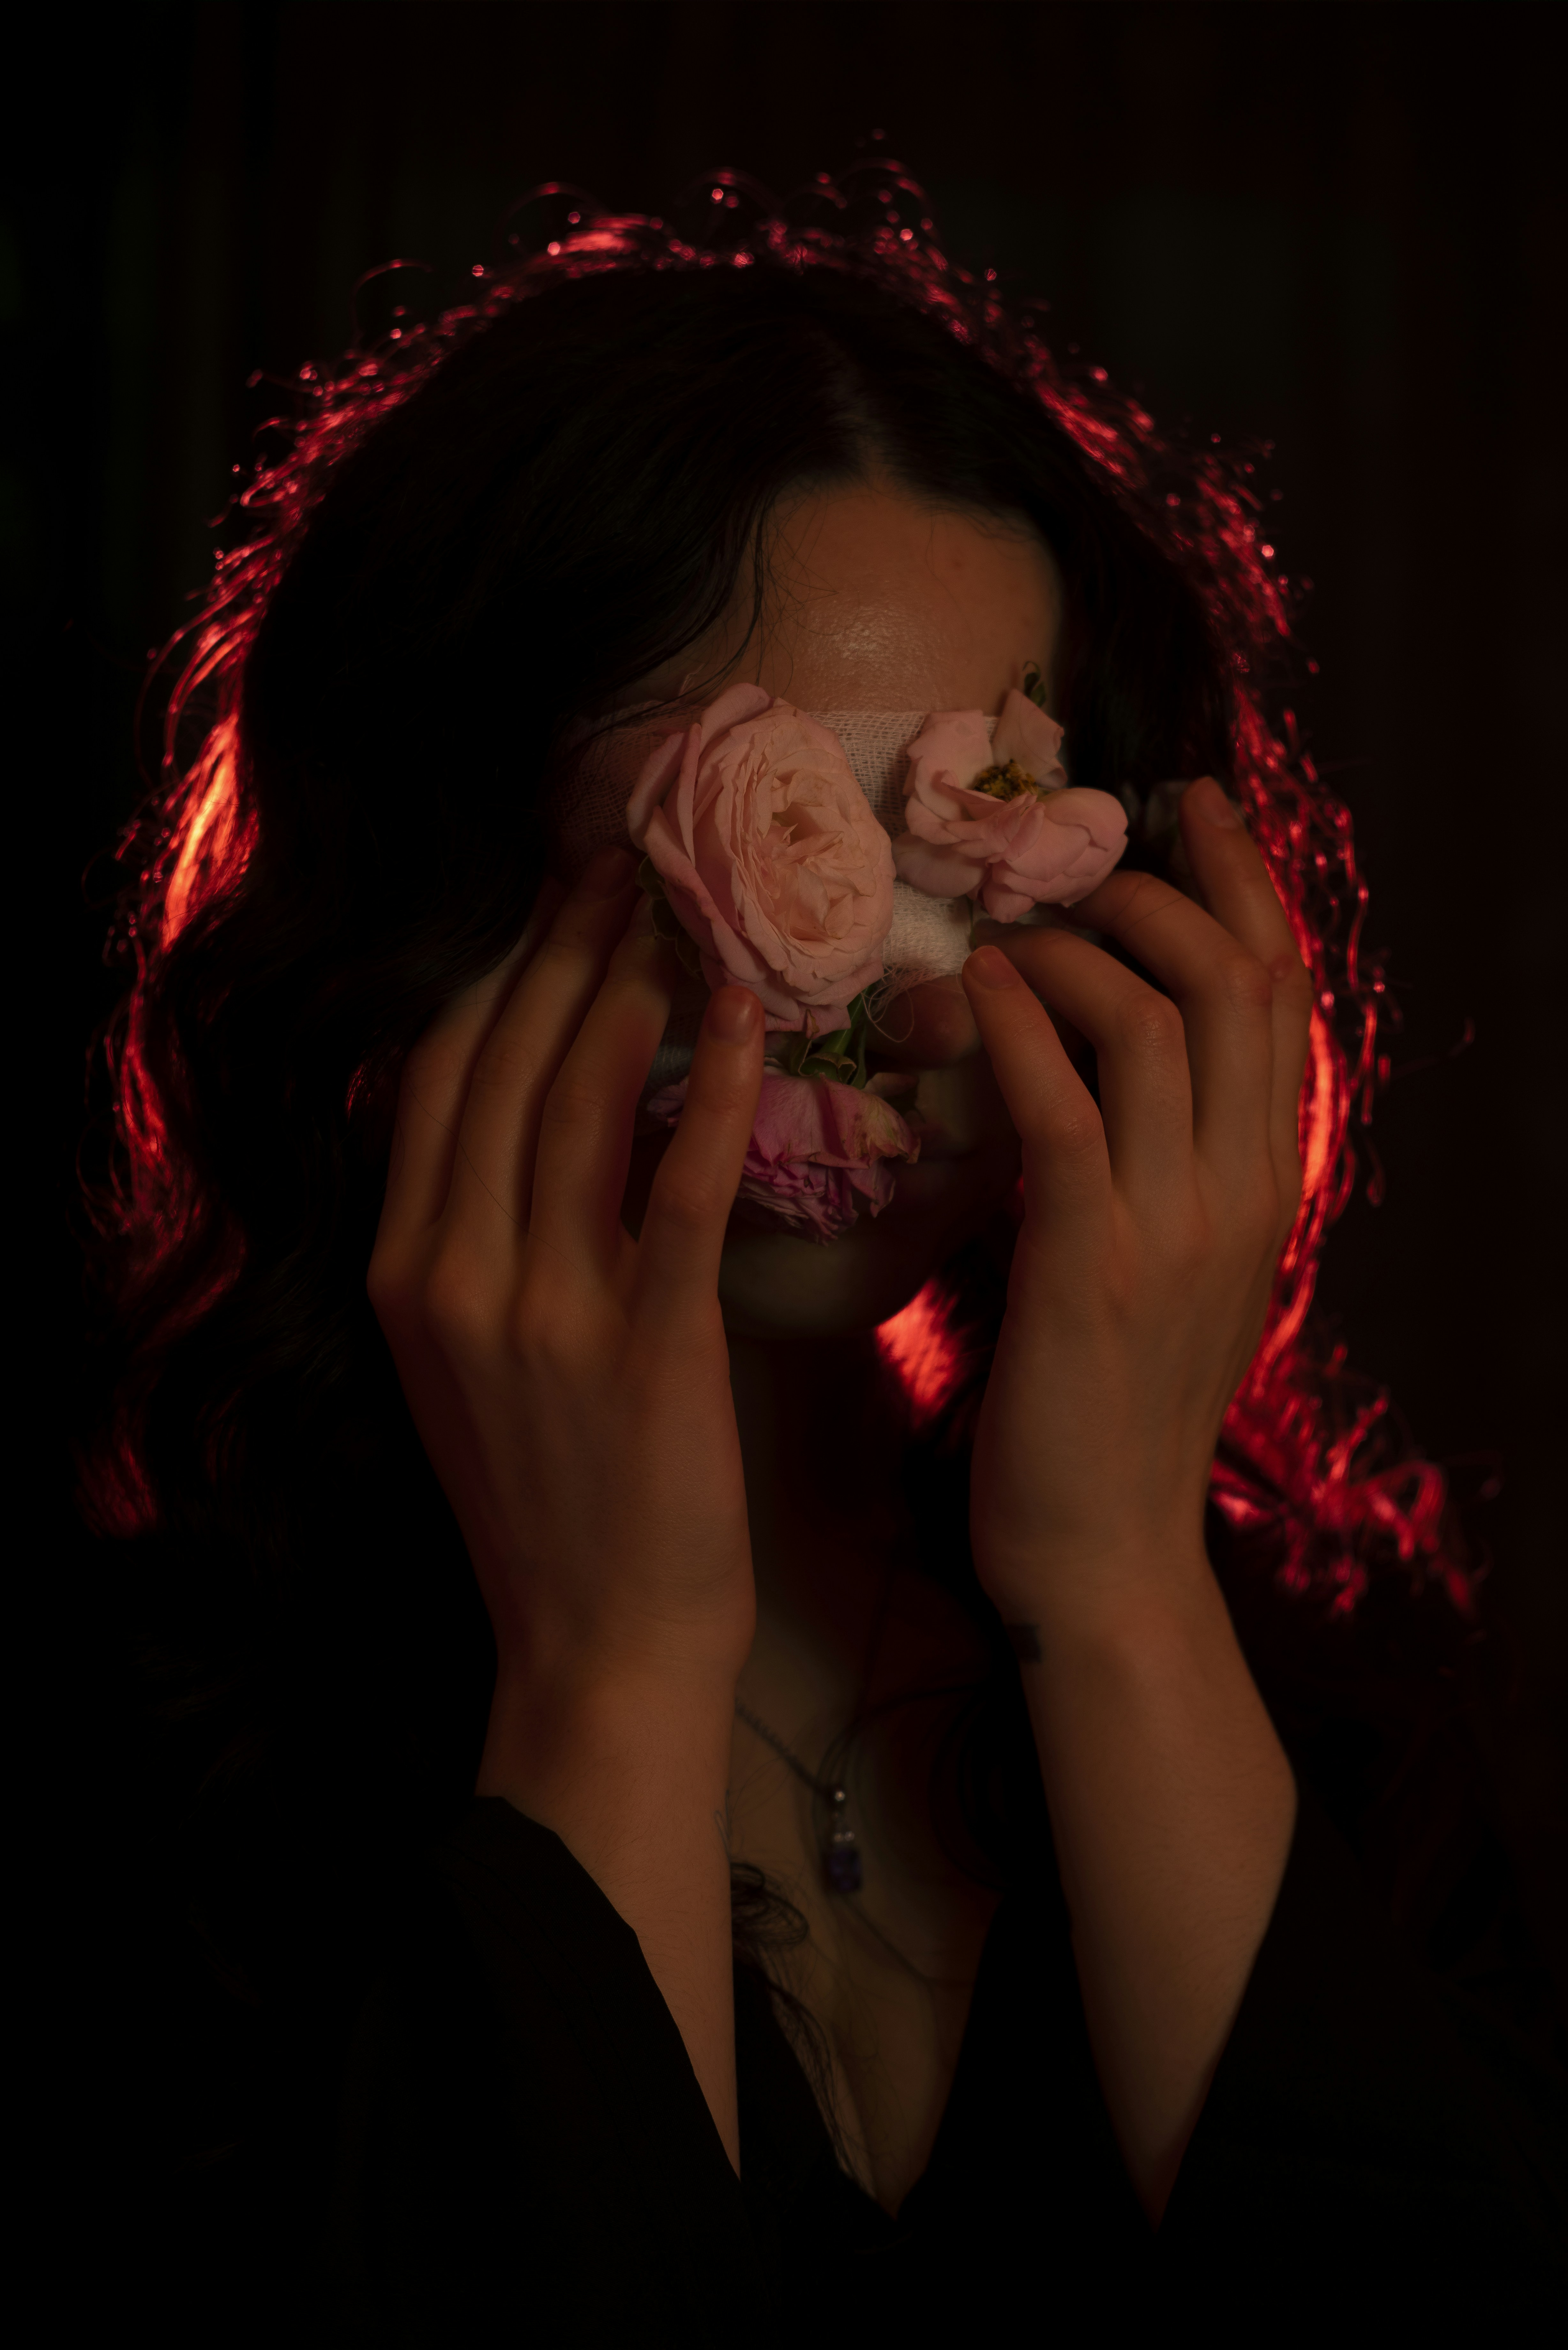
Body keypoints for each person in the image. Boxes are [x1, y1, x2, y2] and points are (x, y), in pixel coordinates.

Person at [81, 175, 1563, 2336]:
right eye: (755, 857)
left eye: (968, 871)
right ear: (436, 908)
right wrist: (604, 1679)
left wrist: (1120, 1587)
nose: (870, 1028)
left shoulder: (1334, 1713)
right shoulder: (154, 1749)